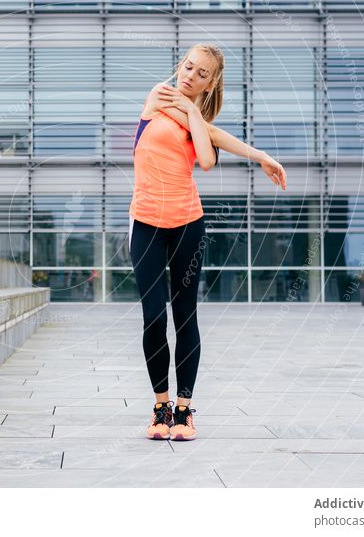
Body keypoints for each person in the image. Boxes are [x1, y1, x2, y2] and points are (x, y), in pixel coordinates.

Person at [129, 43, 287, 440]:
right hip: (146, 222)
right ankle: (160, 407)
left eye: (201, 74)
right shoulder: (159, 95)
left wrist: (261, 155)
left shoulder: (195, 116)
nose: (190, 76)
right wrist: (196, 115)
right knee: (153, 315)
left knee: (185, 316)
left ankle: (184, 412)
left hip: (187, 224)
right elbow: (211, 137)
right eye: (187, 67)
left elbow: (207, 156)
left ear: (212, 81)